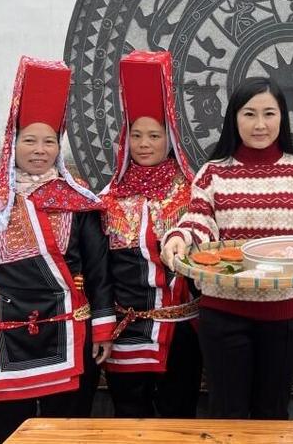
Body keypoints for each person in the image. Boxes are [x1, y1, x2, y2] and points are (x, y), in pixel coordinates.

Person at [0, 56, 115, 444]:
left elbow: (100, 270)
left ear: (59, 146)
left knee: (69, 435)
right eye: (30, 140)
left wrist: (103, 328)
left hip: (72, 331)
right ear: (12, 144)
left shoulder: (80, 202)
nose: (40, 150)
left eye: (49, 141)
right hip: (6, 337)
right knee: (6, 434)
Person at [162, 76, 293, 419]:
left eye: (269, 114)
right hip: (223, 314)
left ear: (282, 118)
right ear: (233, 118)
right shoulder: (212, 174)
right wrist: (178, 238)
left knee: (272, 413)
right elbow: (198, 222)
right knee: (228, 413)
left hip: (284, 315)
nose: (259, 124)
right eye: (249, 114)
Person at [98, 50, 202, 417]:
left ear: (169, 139)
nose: (144, 143)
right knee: (130, 416)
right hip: (125, 329)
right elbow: (100, 270)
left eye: (153, 135)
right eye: (136, 135)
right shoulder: (108, 198)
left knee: (179, 416)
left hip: (180, 330)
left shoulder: (191, 192)